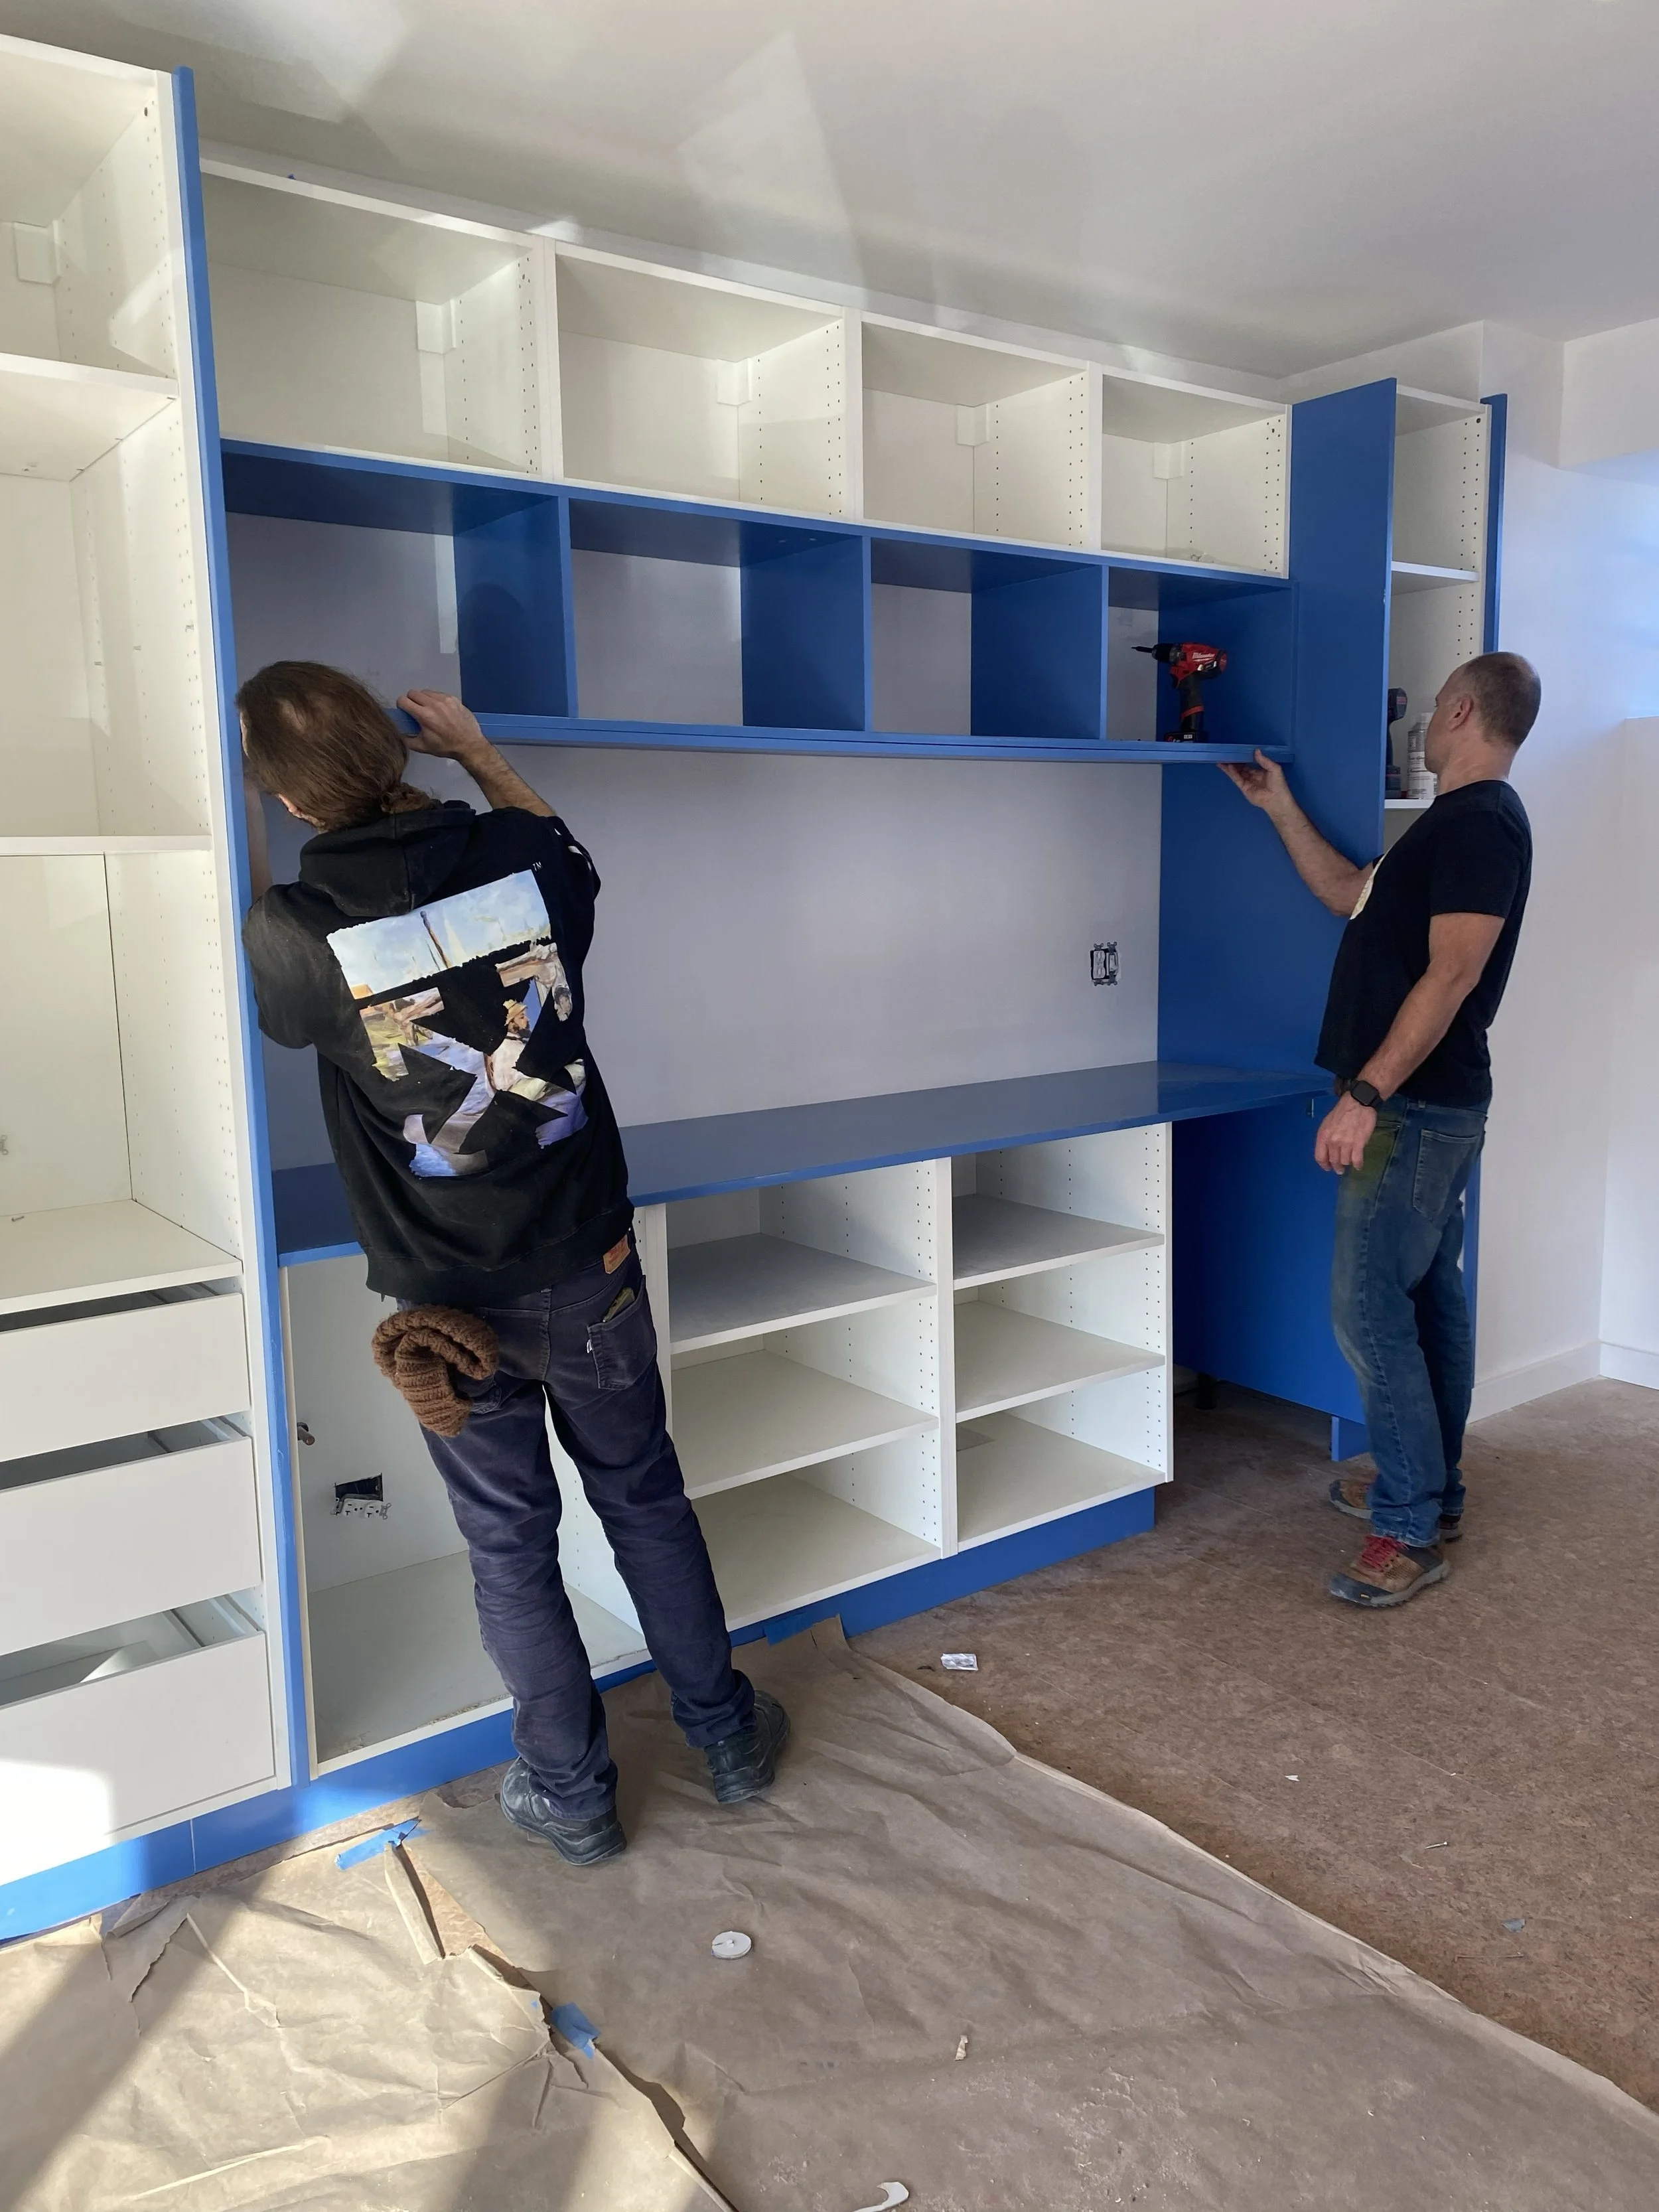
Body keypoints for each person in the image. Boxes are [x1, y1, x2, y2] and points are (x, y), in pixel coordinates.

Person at [239, 663, 787, 1862]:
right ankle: (728, 1738)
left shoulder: (295, 930)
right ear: (402, 751)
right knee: (645, 1504)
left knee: (510, 1548)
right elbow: (568, 852)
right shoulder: (517, 860)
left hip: (448, 1309)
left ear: (283, 801)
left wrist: (278, 810)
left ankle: (573, 1797)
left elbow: (283, 1007)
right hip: (590, 1269)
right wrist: (477, 750)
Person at [1220, 651, 1538, 1609]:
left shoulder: (1480, 825)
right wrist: (1278, 807)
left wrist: (1365, 1093)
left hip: (1414, 1110)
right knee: (1427, 1302)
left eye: (1435, 709)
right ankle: (1431, 1494)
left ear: (1463, 711)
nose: (1424, 725)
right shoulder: (1450, 824)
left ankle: (1407, 1526)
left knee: (1367, 1311)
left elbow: (1453, 975)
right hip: (1426, 1108)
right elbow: (1348, 894)